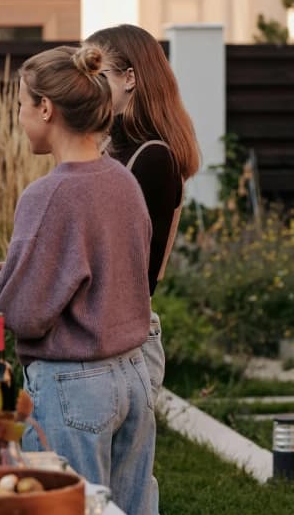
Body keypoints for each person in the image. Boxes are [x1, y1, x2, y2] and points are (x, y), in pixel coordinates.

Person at [0, 45, 157, 514]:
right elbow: (116, 269)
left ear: (46, 108)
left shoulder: (48, 194)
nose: (19, 116)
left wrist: (0, 291)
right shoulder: (123, 181)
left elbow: (23, 315)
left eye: (22, 104)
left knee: (68, 508)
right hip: (132, 375)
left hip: (75, 386)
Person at [85, 23, 200, 400]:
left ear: (129, 78)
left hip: (120, 341)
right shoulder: (113, 149)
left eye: (97, 75)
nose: (87, 87)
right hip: (105, 333)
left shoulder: (150, 157)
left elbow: (129, 268)